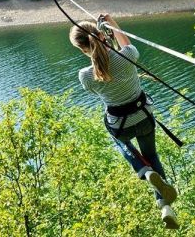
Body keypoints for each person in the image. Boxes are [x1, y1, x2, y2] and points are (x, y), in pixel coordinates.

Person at [69, 14, 179, 229]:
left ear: (82, 49)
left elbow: (100, 78)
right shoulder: (127, 55)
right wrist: (111, 24)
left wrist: (102, 44)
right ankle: (165, 205)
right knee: (152, 155)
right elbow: (125, 43)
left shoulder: (85, 76)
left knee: (120, 141)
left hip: (119, 124)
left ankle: (144, 171)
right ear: (102, 35)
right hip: (143, 116)